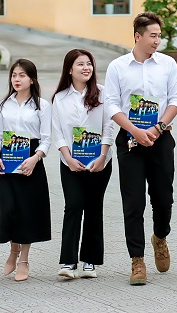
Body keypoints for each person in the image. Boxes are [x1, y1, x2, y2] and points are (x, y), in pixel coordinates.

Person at [102, 12, 177, 286]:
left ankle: (160, 237)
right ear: (137, 36)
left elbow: (176, 99)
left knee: (164, 199)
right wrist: (136, 130)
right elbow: (112, 104)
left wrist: (158, 127)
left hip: (161, 139)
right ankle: (137, 260)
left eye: (159, 35)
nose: (157, 40)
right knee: (133, 202)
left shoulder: (168, 64)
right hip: (130, 142)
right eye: (153, 35)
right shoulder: (117, 67)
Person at [51, 49, 117, 280]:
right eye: (80, 64)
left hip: (100, 161)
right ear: (70, 69)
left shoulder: (103, 94)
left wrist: (102, 155)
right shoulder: (59, 98)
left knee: (93, 207)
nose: (86, 68)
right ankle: (68, 262)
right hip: (70, 162)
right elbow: (58, 131)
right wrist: (67, 158)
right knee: (73, 206)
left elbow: (109, 126)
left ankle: (90, 261)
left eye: (89, 63)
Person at [0, 58, 52, 282]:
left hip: (30, 162)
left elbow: (46, 140)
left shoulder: (42, 106)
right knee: (8, 210)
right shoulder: (3, 104)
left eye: (22, 75)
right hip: (7, 161)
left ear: (32, 79)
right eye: (14, 75)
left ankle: (24, 260)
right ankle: (13, 249)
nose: (17, 79)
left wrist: (35, 159)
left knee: (27, 213)